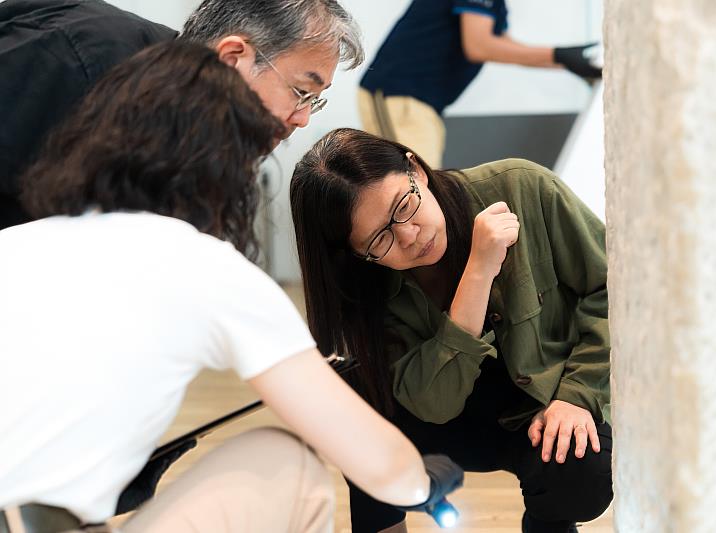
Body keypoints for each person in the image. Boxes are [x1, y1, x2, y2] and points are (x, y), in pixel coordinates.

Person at [0, 43, 463, 533]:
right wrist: (421, 482)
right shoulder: (203, 266)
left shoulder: (15, 243)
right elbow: (378, 463)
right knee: (286, 461)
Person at [290, 128, 612, 533]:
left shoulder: (520, 186)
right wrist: (478, 271)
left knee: (581, 473)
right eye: (379, 239)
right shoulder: (365, 288)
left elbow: (613, 291)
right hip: (445, 415)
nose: (409, 236)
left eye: (403, 206)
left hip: (543, 400)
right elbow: (435, 405)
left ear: (416, 169)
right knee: (360, 423)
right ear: (357, 254)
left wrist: (577, 396)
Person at [0, 0, 363, 230]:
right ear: (233, 57)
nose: (302, 119)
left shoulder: (201, 148)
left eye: (314, 101)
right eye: (301, 91)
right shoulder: (84, 55)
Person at [358, 0, 601, 169]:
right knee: (417, 189)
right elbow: (478, 45)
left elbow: (501, 43)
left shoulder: (496, 5)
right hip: (397, 94)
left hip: (418, 102)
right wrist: (559, 56)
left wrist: (568, 61)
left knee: (425, 186)